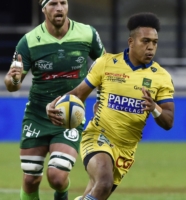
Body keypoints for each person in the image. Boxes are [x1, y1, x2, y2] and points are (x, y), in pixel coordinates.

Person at [46, 12, 175, 200]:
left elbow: (169, 120)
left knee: (95, 193)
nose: (151, 47)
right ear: (131, 41)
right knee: (104, 182)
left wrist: (154, 107)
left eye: (154, 42)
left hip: (125, 150)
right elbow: (77, 94)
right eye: (145, 41)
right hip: (98, 136)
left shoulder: (161, 77)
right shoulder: (106, 63)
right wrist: (54, 104)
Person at [4, 0, 105, 200]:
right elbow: (12, 83)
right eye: (52, 3)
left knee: (57, 177)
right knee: (31, 179)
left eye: (63, 3)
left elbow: (106, 66)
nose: (59, 8)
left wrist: (102, 97)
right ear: (43, 9)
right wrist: (13, 78)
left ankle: (62, 194)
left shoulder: (87, 34)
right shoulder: (29, 41)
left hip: (69, 115)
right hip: (37, 115)